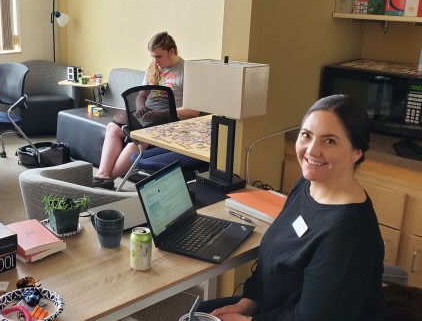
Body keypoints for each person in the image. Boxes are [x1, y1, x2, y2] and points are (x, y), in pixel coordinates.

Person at [197, 94, 385, 320]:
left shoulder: (346, 231)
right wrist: (249, 302)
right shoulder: (308, 185)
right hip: (271, 307)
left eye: (330, 141)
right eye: (306, 135)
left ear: (357, 152)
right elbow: (272, 258)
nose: (312, 150)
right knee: (197, 314)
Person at [93, 32, 199, 189]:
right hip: (148, 116)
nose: (155, 61)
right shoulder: (153, 67)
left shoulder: (187, 71)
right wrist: (141, 106)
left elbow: (193, 111)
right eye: (152, 57)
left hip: (169, 120)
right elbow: (141, 95)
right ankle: (102, 176)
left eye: (158, 56)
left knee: (138, 137)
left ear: (172, 51)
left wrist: (162, 113)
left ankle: (105, 181)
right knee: (113, 127)